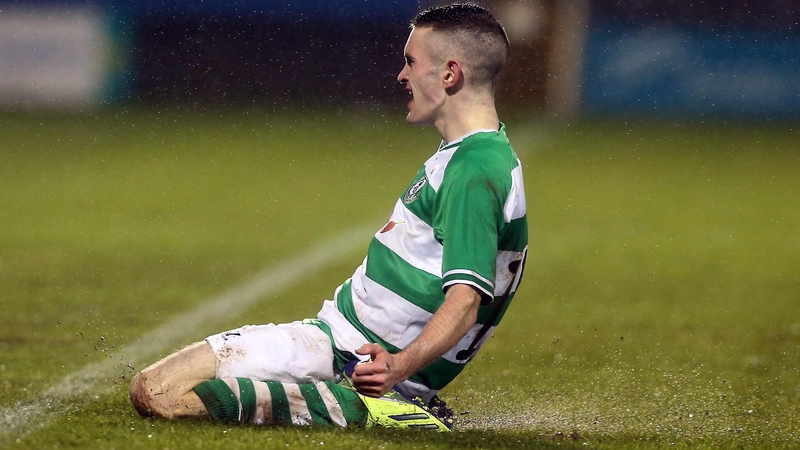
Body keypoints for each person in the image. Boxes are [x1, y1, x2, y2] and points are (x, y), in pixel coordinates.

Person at [129, 2, 527, 431]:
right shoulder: (471, 156)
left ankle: (374, 412)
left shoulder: (474, 169)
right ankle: (358, 405)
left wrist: (398, 368)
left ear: (449, 74)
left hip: (361, 368)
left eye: (411, 62)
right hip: (332, 342)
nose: (402, 75)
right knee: (152, 386)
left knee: (161, 393)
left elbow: (466, 300)